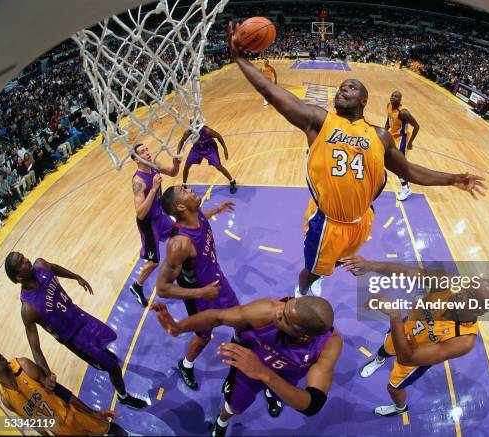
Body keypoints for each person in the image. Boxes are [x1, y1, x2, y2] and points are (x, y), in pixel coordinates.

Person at [228, 22, 486, 297]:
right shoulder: (318, 121)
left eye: (350, 87)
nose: (342, 89)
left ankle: (319, 275)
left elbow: (409, 171)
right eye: (340, 88)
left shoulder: (380, 136)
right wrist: (240, 59)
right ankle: (303, 292)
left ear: (363, 101)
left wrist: (453, 179)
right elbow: (271, 91)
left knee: (337, 261)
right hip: (327, 222)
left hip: (362, 221)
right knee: (313, 269)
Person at [152, 295, 342, 437]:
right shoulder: (267, 310)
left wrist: (264, 373)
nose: (278, 312)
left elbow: (312, 404)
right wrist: (179, 327)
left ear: (304, 336)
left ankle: (271, 393)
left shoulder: (329, 345)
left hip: (282, 378)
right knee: (234, 406)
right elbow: (218, 316)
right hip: (247, 370)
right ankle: (221, 421)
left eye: (284, 318)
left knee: (280, 393)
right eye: (285, 307)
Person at [341, 256, 489, 416]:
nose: (461, 294)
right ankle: (379, 360)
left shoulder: (464, 340)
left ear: (479, 311)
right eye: (467, 289)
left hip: (414, 357)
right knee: (385, 349)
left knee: (393, 388)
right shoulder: (448, 283)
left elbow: (408, 359)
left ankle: (400, 408)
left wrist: (395, 316)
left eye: (471, 297)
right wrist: (371, 265)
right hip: (406, 328)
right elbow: (406, 272)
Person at [4, 252, 148, 409]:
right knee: (113, 367)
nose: (26, 260)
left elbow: (53, 268)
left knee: (110, 339)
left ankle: (104, 356)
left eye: (24, 257)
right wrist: (47, 376)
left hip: (81, 317)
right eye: (21, 262)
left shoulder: (40, 265)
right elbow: (35, 347)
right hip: (75, 339)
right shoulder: (28, 308)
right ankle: (123, 396)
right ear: (18, 277)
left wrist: (75, 276)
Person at [157, 185, 239, 390]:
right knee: (203, 337)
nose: (190, 188)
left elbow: (202, 219)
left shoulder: (196, 213)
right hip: (201, 294)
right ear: (181, 207)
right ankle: (186, 365)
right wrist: (201, 292)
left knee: (239, 315)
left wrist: (217, 210)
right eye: (184, 190)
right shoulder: (180, 244)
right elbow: (162, 288)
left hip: (216, 278)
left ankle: (240, 340)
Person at [0, 349, 128, 436]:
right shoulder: (6, 399)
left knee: (111, 429)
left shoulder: (23, 365)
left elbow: (59, 390)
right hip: (61, 432)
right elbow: (32, 422)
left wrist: (91, 412)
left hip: (74, 414)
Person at [128, 141, 181, 307]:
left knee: (179, 235)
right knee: (153, 262)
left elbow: (173, 173)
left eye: (147, 150)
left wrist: (175, 164)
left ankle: (178, 272)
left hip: (160, 216)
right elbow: (140, 212)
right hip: (148, 223)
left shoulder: (155, 165)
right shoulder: (138, 181)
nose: (147, 153)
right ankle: (137, 286)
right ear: (136, 159)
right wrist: (154, 188)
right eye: (142, 152)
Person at [177, 126, 237, 194]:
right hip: (197, 149)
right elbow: (181, 141)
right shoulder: (188, 132)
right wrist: (177, 154)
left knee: (218, 166)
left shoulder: (207, 131)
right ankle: (184, 184)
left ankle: (232, 181)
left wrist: (225, 149)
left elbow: (218, 136)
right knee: (187, 165)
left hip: (209, 148)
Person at [386, 90, 420, 201]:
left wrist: (410, 143)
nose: (392, 98)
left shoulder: (404, 113)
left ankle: (406, 188)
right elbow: (389, 120)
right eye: (392, 95)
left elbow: (417, 126)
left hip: (401, 140)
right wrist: (384, 132)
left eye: (396, 96)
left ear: (400, 100)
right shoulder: (389, 105)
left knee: (399, 165)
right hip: (392, 136)